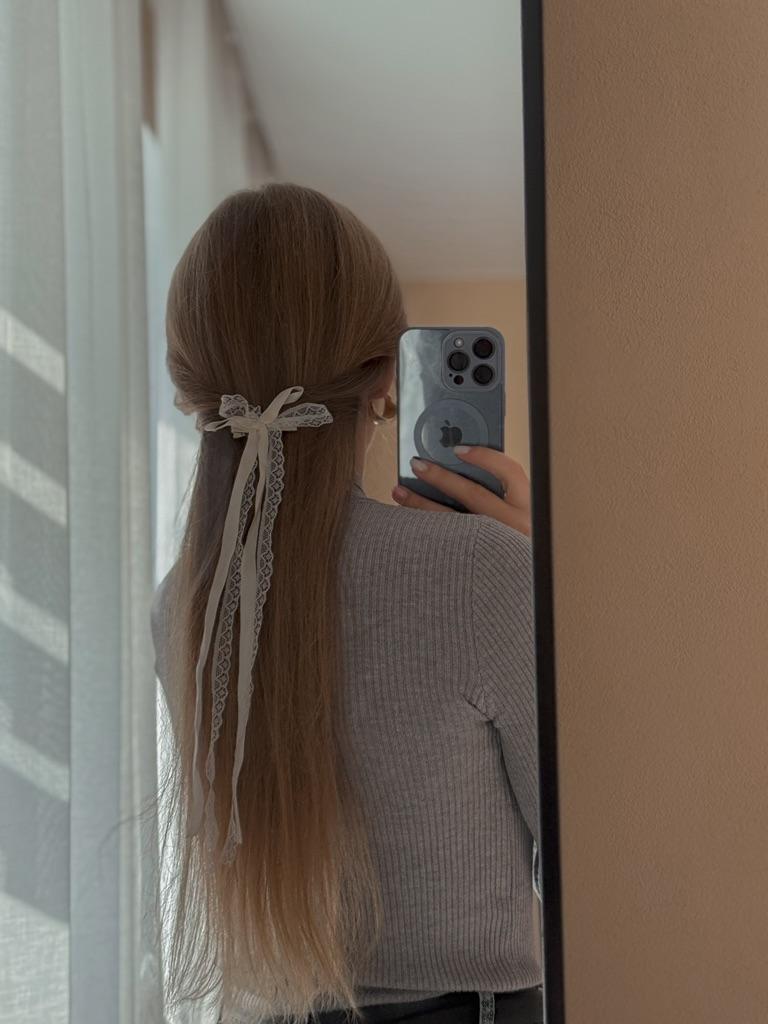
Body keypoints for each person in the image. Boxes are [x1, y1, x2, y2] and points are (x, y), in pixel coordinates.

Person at [150, 183, 543, 1024]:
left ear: (190, 390)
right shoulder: (484, 571)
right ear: (386, 380)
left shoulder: (179, 603)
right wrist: (538, 575)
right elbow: (593, 855)